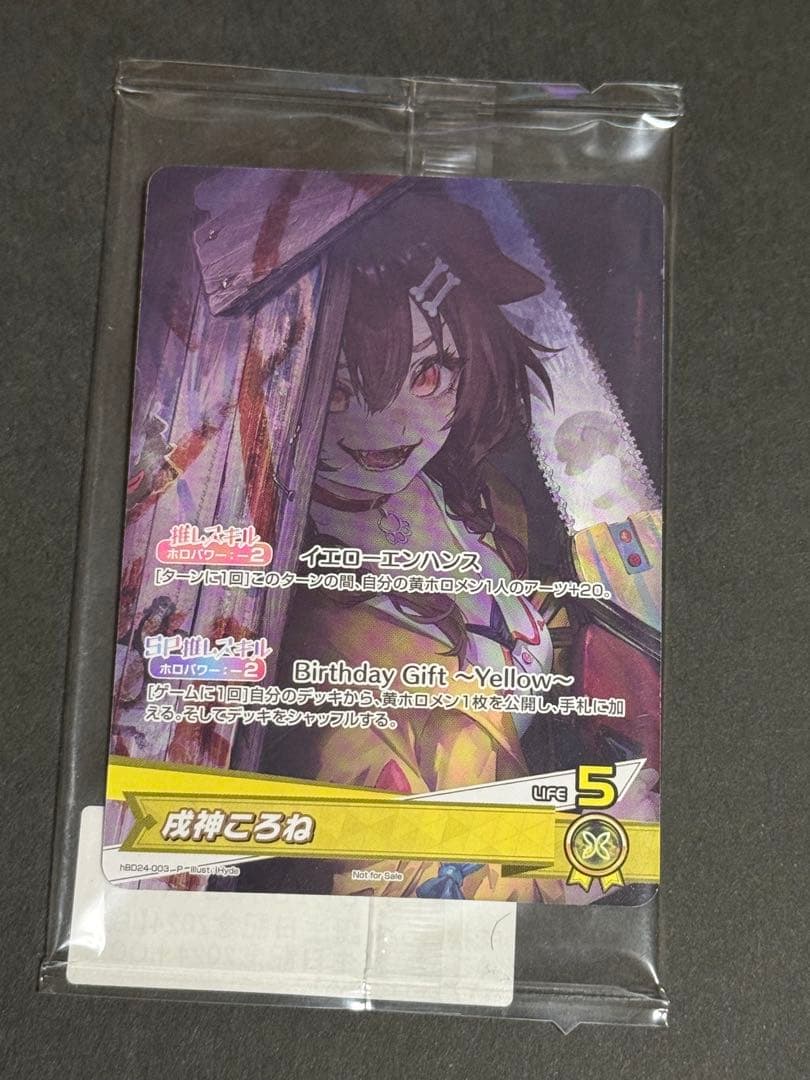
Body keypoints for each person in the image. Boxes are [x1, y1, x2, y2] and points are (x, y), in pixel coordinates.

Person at [267, 184, 565, 901]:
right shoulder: (299, 617)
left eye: (429, 374)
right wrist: (569, 866)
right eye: (343, 391)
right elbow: (383, 882)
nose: (391, 426)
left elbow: (514, 629)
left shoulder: (479, 499)